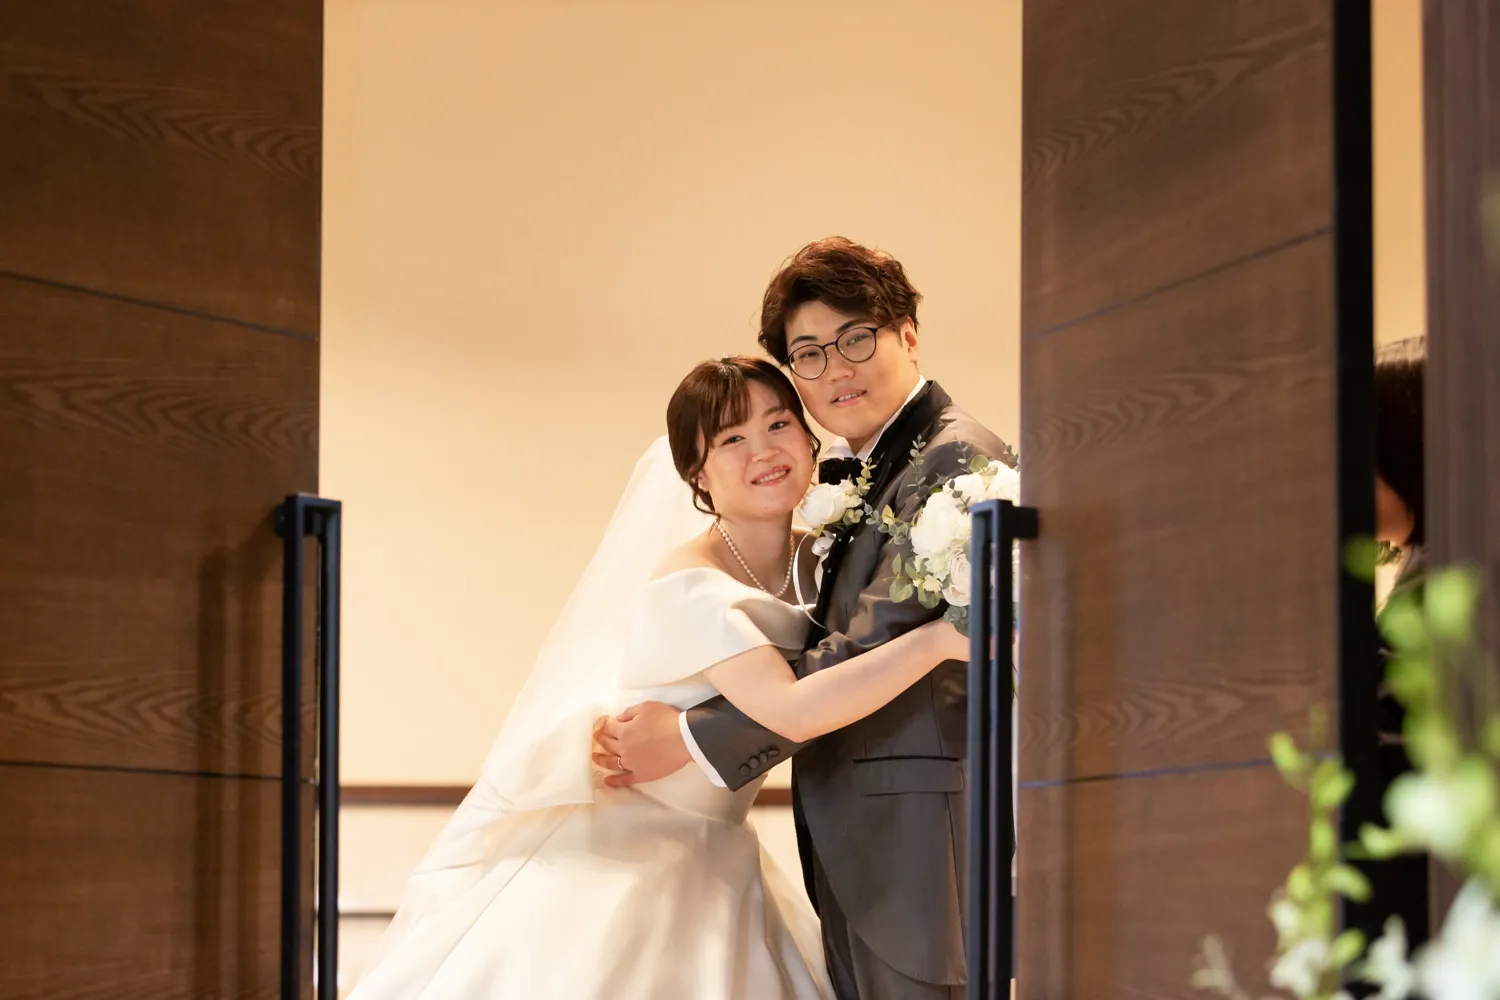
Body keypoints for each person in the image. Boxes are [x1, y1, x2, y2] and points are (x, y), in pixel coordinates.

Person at [345, 356, 970, 1000]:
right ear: (696, 472)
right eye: (731, 439)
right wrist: (942, 640)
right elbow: (793, 710)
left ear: (809, 438)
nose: (763, 450)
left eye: (778, 424)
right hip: (634, 848)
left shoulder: (823, 556)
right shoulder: (692, 587)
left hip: (723, 844)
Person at [596, 237, 1015, 1000]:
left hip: (919, 834)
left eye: (856, 339)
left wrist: (691, 737)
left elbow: (866, 646)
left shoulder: (952, 462)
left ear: (908, 335)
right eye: (810, 354)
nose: (836, 370)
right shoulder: (864, 475)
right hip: (866, 832)